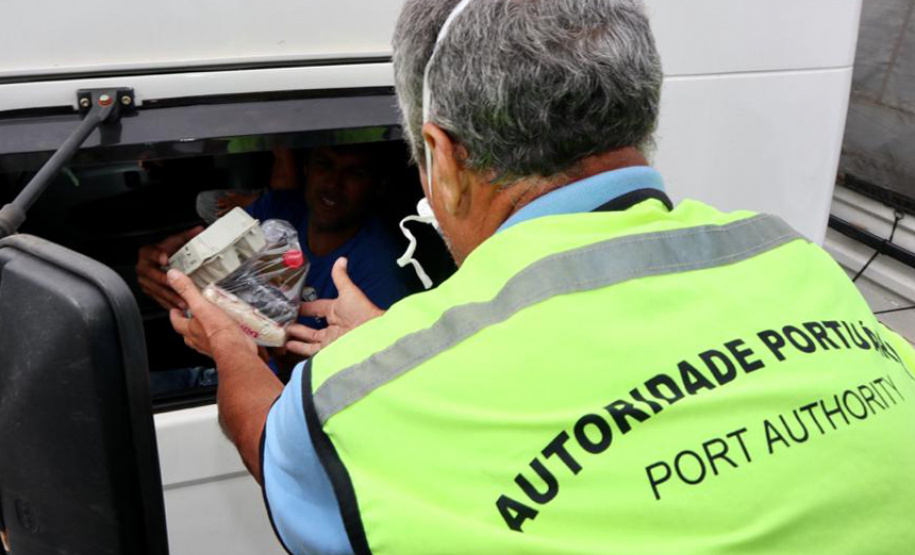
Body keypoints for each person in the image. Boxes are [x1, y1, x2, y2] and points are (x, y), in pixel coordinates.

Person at [166, 0, 915, 553]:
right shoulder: (787, 255)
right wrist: (401, 345)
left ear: (442, 156)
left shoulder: (359, 401)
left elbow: (271, 446)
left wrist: (229, 339)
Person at [137, 143, 410, 338]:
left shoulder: (382, 270)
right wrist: (163, 266)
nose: (333, 183)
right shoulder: (280, 210)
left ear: (379, 186)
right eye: (324, 164)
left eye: (355, 173)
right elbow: (207, 255)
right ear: (307, 169)